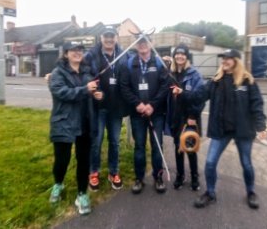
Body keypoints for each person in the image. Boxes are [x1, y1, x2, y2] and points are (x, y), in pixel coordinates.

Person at [194, 49, 267, 209]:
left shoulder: (247, 81)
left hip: (243, 130)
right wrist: (182, 93)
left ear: (236, 61)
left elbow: (257, 104)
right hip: (222, 130)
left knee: (246, 164)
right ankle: (210, 193)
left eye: (228, 58)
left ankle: (251, 192)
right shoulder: (216, 81)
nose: (224, 61)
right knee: (210, 162)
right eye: (223, 58)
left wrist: (261, 125)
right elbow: (199, 95)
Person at [48, 41, 102, 215]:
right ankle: (58, 183)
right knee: (62, 160)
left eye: (80, 50)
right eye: (73, 50)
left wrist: (95, 94)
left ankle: (82, 193)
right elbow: (63, 93)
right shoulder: (57, 74)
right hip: (64, 122)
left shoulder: (87, 73)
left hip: (85, 122)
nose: (78, 53)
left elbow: (89, 92)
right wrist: (86, 90)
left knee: (83, 161)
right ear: (65, 54)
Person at [120, 35, 170, 194]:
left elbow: (164, 86)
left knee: (157, 146)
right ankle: (139, 178)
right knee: (139, 147)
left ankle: (158, 177)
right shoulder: (128, 64)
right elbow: (124, 87)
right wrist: (138, 104)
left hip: (156, 113)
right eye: (140, 42)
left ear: (151, 44)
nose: (143, 45)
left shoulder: (159, 63)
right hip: (137, 114)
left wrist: (152, 105)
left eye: (145, 42)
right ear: (136, 46)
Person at [85, 26, 128, 191]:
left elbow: (136, 66)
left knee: (115, 142)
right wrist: (94, 90)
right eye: (106, 36)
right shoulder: (92, 55)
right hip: (98, 107)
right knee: (96, 142)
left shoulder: (124, 54)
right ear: (101, 38)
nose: (109, 39)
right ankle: (93, 172)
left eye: (112, 36)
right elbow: (83, 73)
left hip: (116, 107)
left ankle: (113, 172)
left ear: (116, 37)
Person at [165, 43, 205, 191]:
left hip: (189, 118)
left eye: (182, 54)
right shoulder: (172, 74)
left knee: (190, 148)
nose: (179, 56)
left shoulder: (194, 74)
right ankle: (180, 175)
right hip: (176, 116)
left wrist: (193, 115)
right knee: (178, 148)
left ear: (187, 57)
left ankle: (195, 176)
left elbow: (200, 98)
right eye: (177, 54)